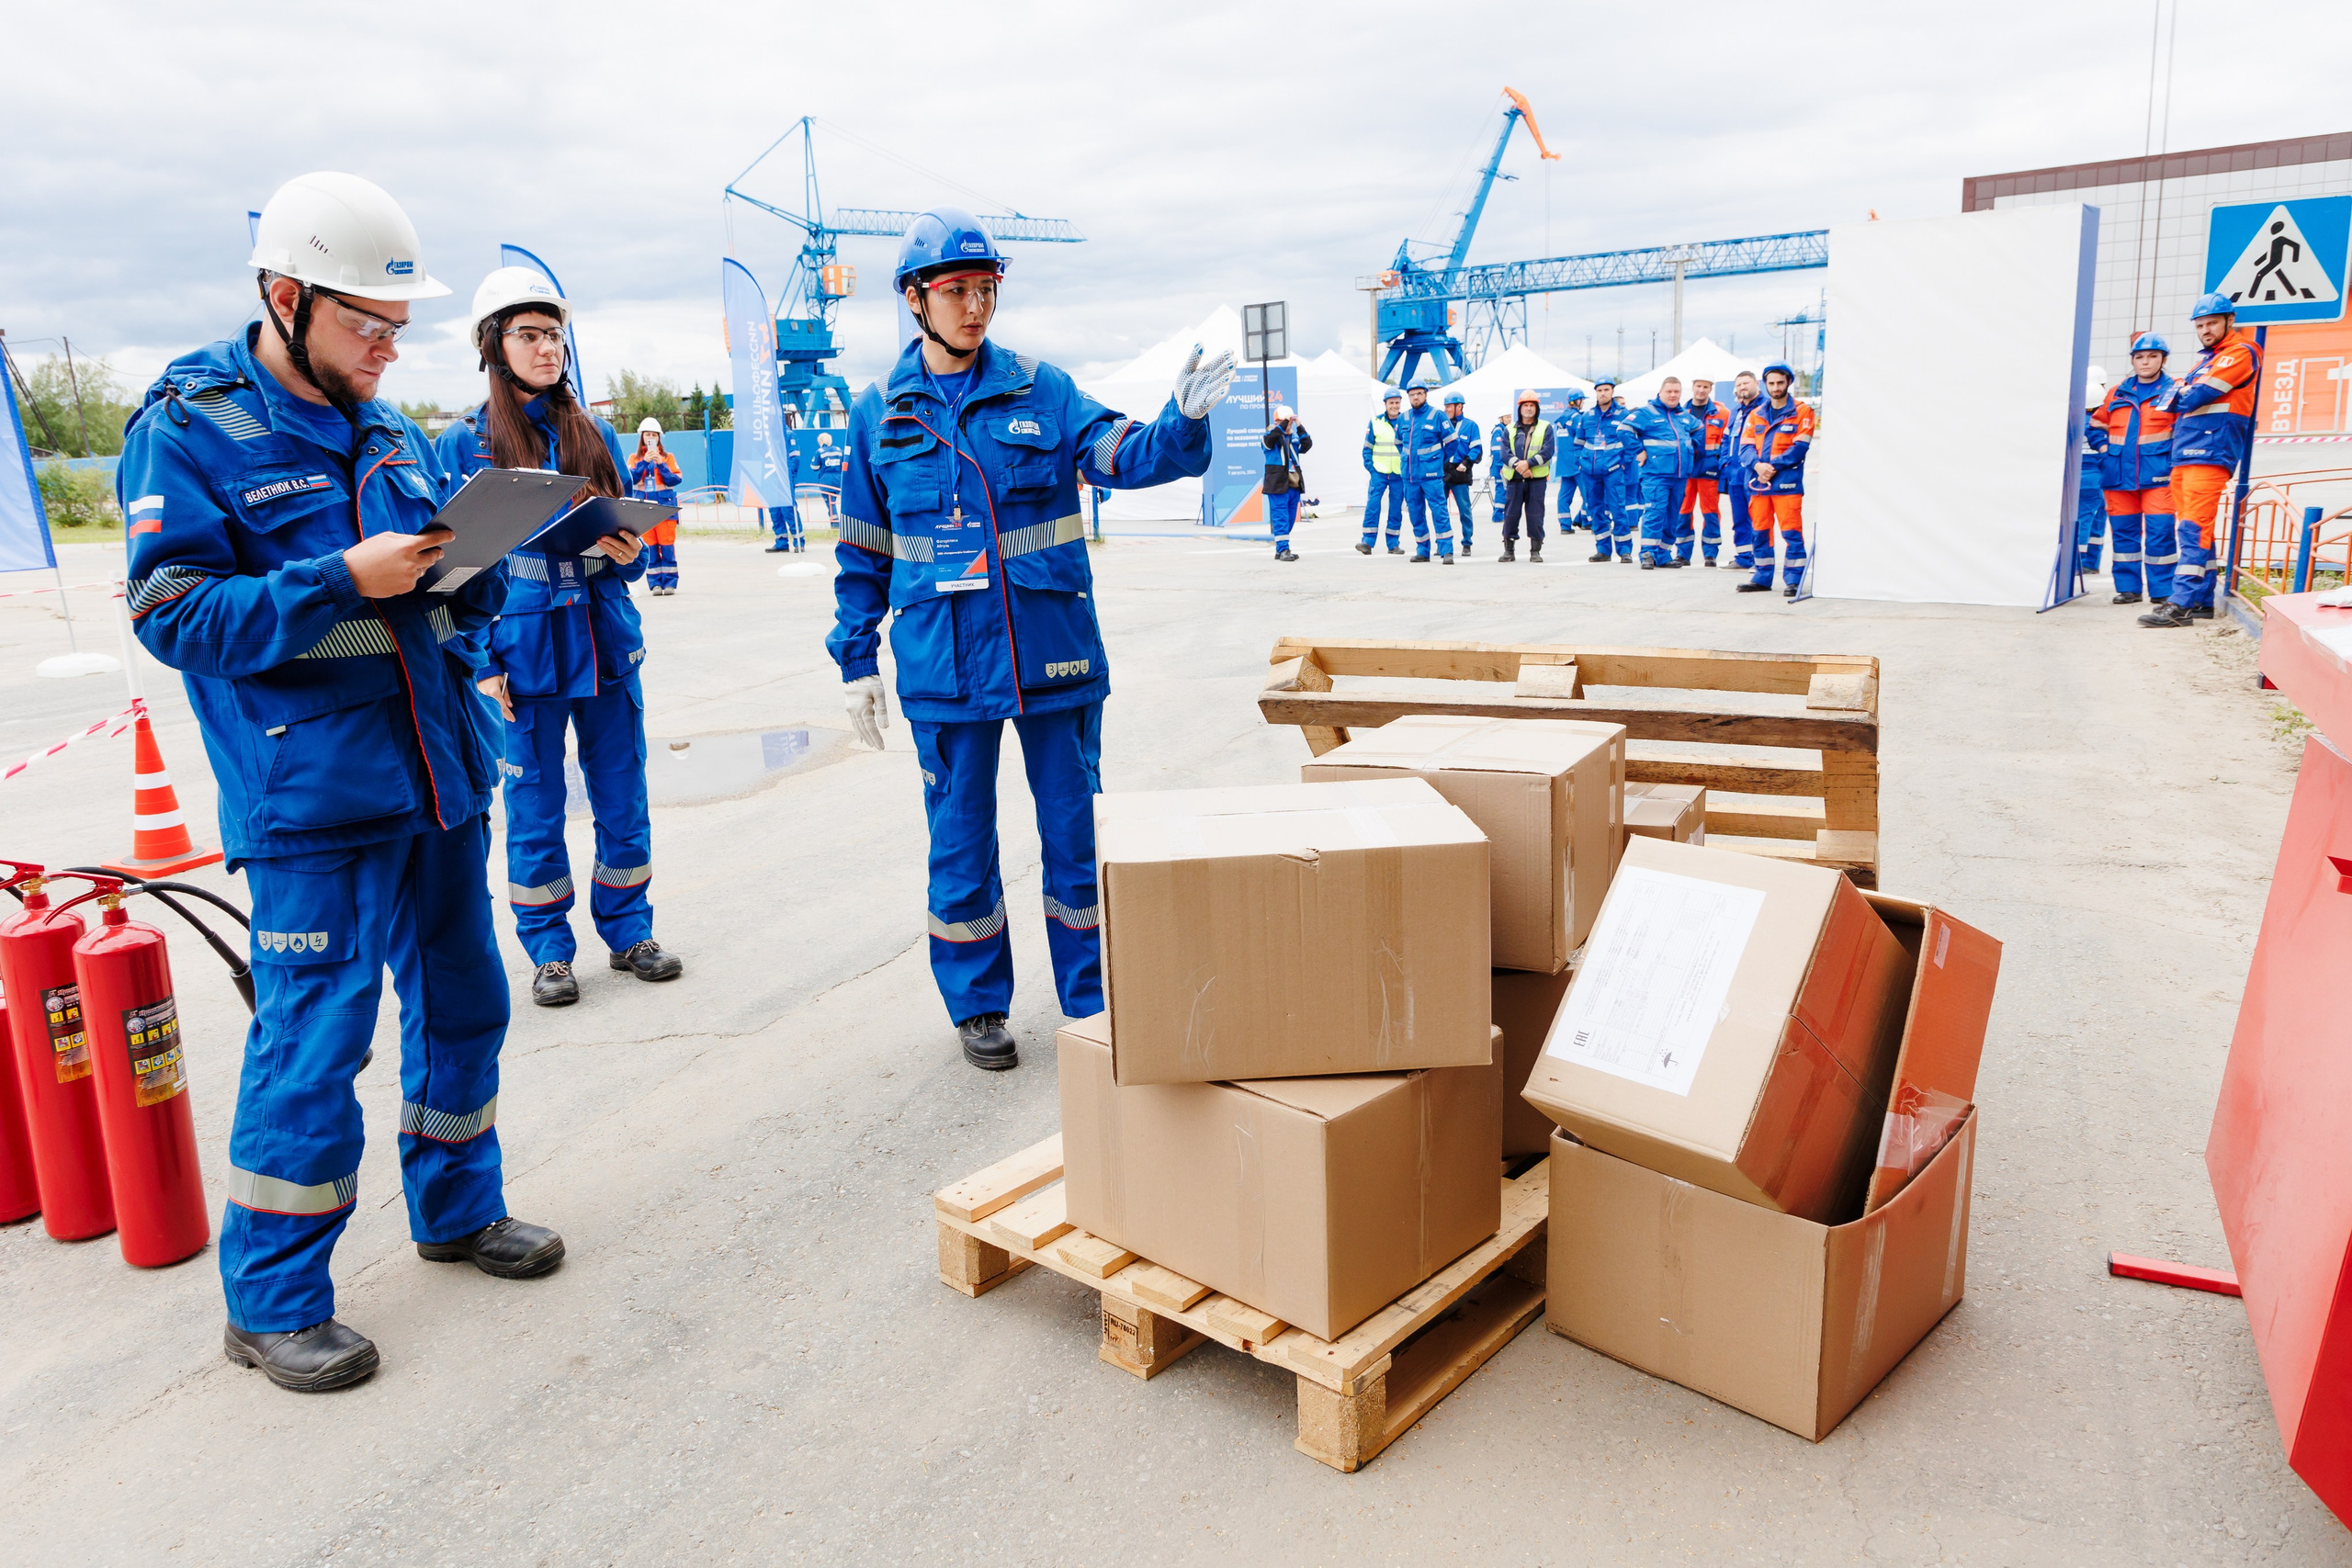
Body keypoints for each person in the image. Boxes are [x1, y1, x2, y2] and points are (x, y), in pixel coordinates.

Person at [118, 172, 562, 1394]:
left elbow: (436, 597)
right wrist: (338, 580)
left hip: (435, 778)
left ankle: (459, 1208)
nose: (387, 346)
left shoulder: (388, 429)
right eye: (368, 323)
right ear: (285, 296)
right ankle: (269, 1301)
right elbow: (172, 612)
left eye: (398, 327)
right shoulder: (192, 423)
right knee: (315, 1038)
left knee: (466, 1003)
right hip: (312, 800)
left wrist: (474, 568)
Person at [827, 208, 1229, 1071]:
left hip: (1053, 657)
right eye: (957, 291)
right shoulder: (878, 413)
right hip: (944, 663)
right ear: (914, 301)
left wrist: (1182, 426)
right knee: (961, 840)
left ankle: (1090, 999)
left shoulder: (1043, 389)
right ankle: (978, 1005)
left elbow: (1121, 450)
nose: (975, 307)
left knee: (1075, 837)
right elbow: (863, 547)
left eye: (986, 289)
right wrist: (856, 656)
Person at [439, 267, 684, 1009]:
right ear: (493, 344)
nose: (547, 348)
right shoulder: (465, 442)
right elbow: (452, 567)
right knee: (537, 804)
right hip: (523, 652)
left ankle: (629, 930)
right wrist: (479, 664)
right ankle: (548, 948)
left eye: (554, 335)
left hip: (604, 640)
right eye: (529, 334)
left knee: (622, 795)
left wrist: (632, 553)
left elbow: (626, 546)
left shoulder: (594, 433)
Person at [2142, 297, 2261, 628]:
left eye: (2211, 323)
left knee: (2193, 527)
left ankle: (2180, 604)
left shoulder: (2241, 352)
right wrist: (2184, 390)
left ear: (2229, 320)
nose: (2205, 330)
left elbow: (2193, 396)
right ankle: (2201, 601)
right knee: (2194, 527)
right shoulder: (2207, 362)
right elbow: (2176, 396)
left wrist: (2184, 390)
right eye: (2199, 325)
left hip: (2210, 448)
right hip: (2188, 450)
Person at [2096, 334, 2177, 604]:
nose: (2145, 362)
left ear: (2163, 360)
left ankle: (2162, 591)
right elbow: (2095, 426)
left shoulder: (2174, 390)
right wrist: (2105, 451)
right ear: (2132, 360)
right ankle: (2128, 589)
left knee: (2160, 534)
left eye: (2152, 356)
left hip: (2159, 476)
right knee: (2123, 535)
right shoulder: (2117, 392)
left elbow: (2184, 430)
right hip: (2118, 476)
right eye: (2140, 357)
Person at [1736, 362, 1815, 597]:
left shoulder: (1802, 411)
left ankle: (1794, 579)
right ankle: (1762, 576)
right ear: (1765, 385)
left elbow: (1800, 448)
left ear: (1788, 383)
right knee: (1760, 530)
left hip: (1786, 484)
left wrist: (1772, 467)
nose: (1776, 387)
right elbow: (1745, 448)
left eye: (1780, 382)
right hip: (1758, 484)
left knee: (1791, 531)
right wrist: (1758, 466)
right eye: (1771, 383)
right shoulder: (1755, 414)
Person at [1627, 376, 1699, 570]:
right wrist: (1639, 451)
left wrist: (1692, 448)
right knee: (1655, 512)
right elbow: (1624, 429)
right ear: (1660, 392)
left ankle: (1664, 554)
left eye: (1677, 392)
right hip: (1655, 475)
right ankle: (1648, 554)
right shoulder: (1646, 413)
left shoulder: (1682, 416)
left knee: (1672, 515)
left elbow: (1699, 430)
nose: (1673, 395)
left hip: (1679, 476)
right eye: (1669, 391)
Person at [1579, 377, 1638, 562]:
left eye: (1606, 390)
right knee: (1596, 509)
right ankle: (1603, 550)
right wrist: (1581, 462)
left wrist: (1623, 464)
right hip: (1590, 471)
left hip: (1614, 471)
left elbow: (1632, 443)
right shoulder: (1587, 416)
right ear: (1595, 392)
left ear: (1612, 391)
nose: (1603, 393)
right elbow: (1578, 443)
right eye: (1599, 390)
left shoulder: (1623, 415)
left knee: (1618, 508)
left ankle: (1624, 550)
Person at [1398, 377, 1455, 563]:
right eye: (1412, 394)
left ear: (1425, 395)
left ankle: (1446, 550)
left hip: (1431, 475)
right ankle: (1423, 550)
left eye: (1419, 394)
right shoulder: (1403, 417)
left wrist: (1437, 462)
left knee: (1439, 511)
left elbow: (1452, 443)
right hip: (1410, 476)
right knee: (1415, 513)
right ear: (1408, 397)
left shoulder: (1437, 416)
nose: (1416, 397)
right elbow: (1400, 444)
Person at [1498, 389, 1555, 563]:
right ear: (1519, 408)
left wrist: (1528, 464)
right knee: (1511, 515)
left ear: (1536, 408)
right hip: (1515, 480)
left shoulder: (1545, 427)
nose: (1529, 408)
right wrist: (1520, 466)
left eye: (1532, 405)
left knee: (1535, 515)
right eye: (1525, 405)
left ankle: (1535, 551)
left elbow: (1548, 451)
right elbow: (1504, 453)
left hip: (1536, 480)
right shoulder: (1509, 429)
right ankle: (1509, 550)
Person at [1682, 377, 1734, 566]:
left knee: (1710, 511)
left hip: (1709, 470)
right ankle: (1682, 553)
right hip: (1686, 470)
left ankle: (1710, 553)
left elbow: (1728, 441)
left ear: (1711, 388)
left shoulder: (1722, 413)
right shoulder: (1681, 412)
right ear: (1692, 387)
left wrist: (1722, 464)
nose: (1701, 390)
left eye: (1705, 387)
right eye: (1698, 386)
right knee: (1683, 510)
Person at [631, 417, 684, 595]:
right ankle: (654, 584)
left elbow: (675, 479)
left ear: (659, 438)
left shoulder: (668, 458)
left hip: (665, 509)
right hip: (644, 510)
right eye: (648, 434)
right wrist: (644, 462)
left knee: (667, 546)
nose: (651, 437)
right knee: (650, 548)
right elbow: (631, 479)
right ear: (642, 437)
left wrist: (661, 464)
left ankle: (670, 583)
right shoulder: (635, 458)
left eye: (654, 434)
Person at [1721, 370, 1765, 572]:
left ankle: (1761, 559)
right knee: (1739, 517)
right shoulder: (1736, 412)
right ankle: (1744, 556)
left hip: (1754, 473)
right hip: (1735, 474)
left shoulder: (1765, 409)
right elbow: (1726, 439)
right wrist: (1724, 464)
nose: (1742, 388)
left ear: (1756, 383)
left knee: (1759, 517)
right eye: (1739, 385)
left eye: (1746, 383)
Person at [1358, 387, 1406, 555]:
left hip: (1399, 474)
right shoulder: (1375, 422)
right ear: (1385, 404)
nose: (1394, 406)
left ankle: (1393, 544)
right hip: (1379, 473)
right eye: (1391, 403)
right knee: (1372, 505)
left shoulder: (1406, 422)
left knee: (1395, 509)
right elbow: (1367, 449)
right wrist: (1371, 469)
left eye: (1397, 403)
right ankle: (1367, 542)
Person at [1261, 404, 1310, 562]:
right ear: (1278, 422)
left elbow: (1307, 445)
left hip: (1293, 484)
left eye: (1289, 421)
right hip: (1276, 484)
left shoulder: (1294, 437)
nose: (1289, 424)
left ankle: (1280, 548)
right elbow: (1270, 439)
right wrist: (1284, 424)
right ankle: (1283, 549)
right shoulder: (1269, 436)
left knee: (1289, 519)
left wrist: (1299, 425)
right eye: (1285, 422)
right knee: (1280, 516)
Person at [2075, 380, 2110, 580]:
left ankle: (2077, 561)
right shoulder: (2098, 425)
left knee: (2077, 519)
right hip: (2095, 478)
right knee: (2090, 520)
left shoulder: (2073, 422)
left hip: (2074, 479)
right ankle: (2084, 562)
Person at [1440, 389, 1481, 555]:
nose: (1446, 409)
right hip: (1444, 472)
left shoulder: (1471, 426)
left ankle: (1467, 543)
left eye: (1449, 406)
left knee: (1464, 509)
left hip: (1461, 471)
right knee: (1440, 509)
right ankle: (1442, 543)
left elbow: (1476, 448)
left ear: (1460, 406)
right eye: (1445, 406)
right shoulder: (1442, 424)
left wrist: (1465, 463)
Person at [1553, 388, 1588, 530]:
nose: (1583, 403)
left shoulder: (1561, 419)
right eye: (1582, 400)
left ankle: (1565, 525)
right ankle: (1587, 521)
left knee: (1564, 497)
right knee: (1589, 494)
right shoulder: (1577, 418)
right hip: (1577, 462)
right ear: (1576, 401)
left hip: (1564, 464)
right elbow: (1581, 439)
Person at [1487, 406, 1512, 538]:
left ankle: (1500, 513)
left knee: (1504, 490)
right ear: (1501, 418)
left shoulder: (1506, 430)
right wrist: (1501, 465)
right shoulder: (1498, 430)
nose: (1509, 419)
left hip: (1504, 466)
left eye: (1510, 416)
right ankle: (1497, 515)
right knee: (1501, 490)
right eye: (1507, 417)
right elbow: (1497, 450)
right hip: (1499, 467)